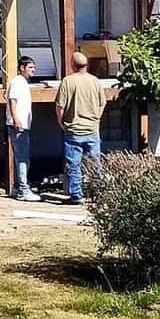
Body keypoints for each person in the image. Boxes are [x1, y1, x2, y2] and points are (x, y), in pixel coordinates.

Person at [55, 51, 107, 204]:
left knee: (73, 164)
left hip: (74, 129)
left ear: (72, 65)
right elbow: (102, 103)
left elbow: (60, 106)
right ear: (86, 65)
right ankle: (98, 193)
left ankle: (77, 195)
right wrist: (96, 118)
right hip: (92, 128)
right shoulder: (95, 81)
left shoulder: (67, 81)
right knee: (95, 163)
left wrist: (61, 122)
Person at [6, 56, 41, 201]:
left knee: (21, 158)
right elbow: (12, 100)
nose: (34, 70)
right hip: (18, 125)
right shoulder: (17, 82)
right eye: (31, 67)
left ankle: (16, 187)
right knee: (22, 158)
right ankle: (23, 190)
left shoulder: (22, 83)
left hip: (23, 124)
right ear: (22, 68)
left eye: (34, 67)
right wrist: (16, 118)